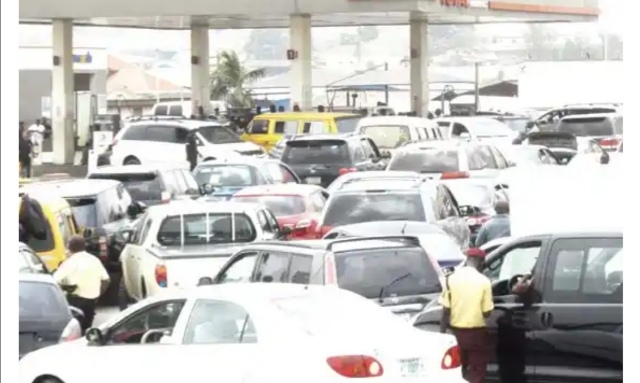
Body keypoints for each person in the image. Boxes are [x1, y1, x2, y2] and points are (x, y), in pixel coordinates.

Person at [439, 248, 493, 383]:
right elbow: (487, 313)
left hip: (456, 333)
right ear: (481, 263)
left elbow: (446, 310)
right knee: (476, 370)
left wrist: (442, 333)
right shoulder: (484, 281)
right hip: (476, 334)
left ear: (467, 260)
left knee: (457, 369)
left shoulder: (450, 279)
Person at [54, 235, 110, 333]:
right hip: (91, 300)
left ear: (70, 247)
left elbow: (55, 280)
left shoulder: (69, 262)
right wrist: (98, 293)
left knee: (74, 329)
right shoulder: (94, 260)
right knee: (87, 329)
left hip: (75, 299)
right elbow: (106, 280)